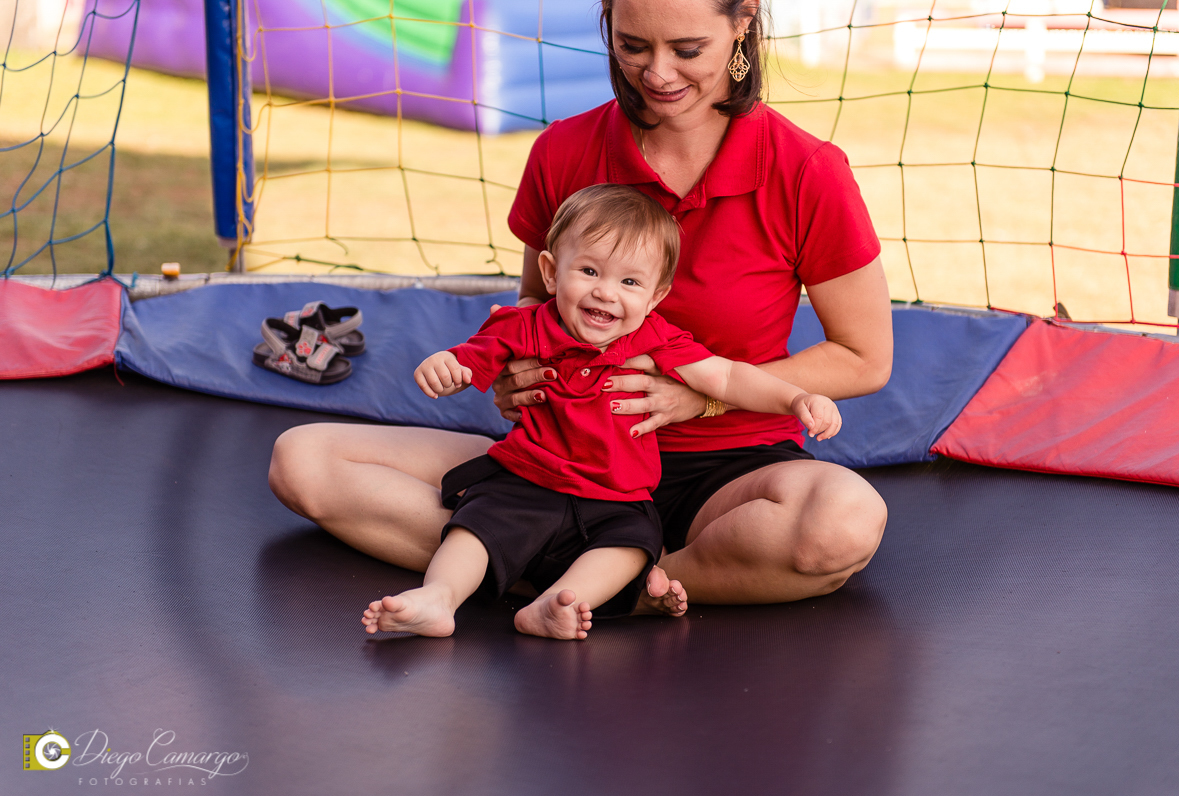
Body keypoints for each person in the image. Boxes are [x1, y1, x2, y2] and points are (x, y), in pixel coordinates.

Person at [269, 0, 892, 611]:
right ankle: (587, 577)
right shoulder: (564, 150)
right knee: (303, 460)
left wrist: (700, 398)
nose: (657, 75)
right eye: (632, 46)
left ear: (742, 21)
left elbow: (864, 359)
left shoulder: (808, 170)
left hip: (727, 468)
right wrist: (513, 377)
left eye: (687, 50)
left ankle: (629, 579)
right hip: (560, 457)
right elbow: (535, 305)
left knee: (842, 523)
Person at [361, 184, 842, 639]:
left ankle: (554, 605)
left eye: (630, 281)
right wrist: (446, 365)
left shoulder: (656, 337)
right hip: (532, 478)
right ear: (551, 272)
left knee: (631, 548)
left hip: (618, 495)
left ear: (655, 297)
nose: (606, 292)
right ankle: (438, 598)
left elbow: (729, 377)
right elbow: (472, 357)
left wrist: (794, 399)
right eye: (589, 272)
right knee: (477, 527)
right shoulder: (525, 327)